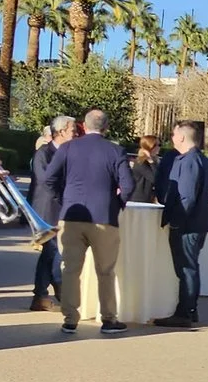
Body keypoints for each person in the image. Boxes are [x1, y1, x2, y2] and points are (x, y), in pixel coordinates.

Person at [37, 108, 132, 334]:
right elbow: (128, 186)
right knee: (106, 270)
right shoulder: (116, 151)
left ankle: (70, 318)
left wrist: (64, 198)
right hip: (104, 218)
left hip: (71, 216)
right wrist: (116, 204)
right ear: (106, 127)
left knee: (70, 269)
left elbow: (48, 179)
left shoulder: (68, 148)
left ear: (84, 126)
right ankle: (109, 318)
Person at [154, 120, 208, 328]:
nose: (172, 138)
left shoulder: (189, 161)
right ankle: (190, 309)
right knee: (189, 267)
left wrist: (177, 222)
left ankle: (185, 312)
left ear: (181, 137)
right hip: (196, 223)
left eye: (173, 134)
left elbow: (186, 197)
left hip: (188, 225)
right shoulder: (200, 159)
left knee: (187, 268)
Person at [27, 117, 71, 310]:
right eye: (72, 131)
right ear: (60, 132)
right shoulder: (44, 153)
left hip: (61, 206)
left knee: (54, 252)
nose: (75, 135)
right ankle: (42, 293)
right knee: (51, 250)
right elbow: (46, 181)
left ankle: (52, 288)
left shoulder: (67, 152)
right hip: (48, 207)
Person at [128, 133, 161, 205]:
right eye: (157, 145)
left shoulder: (156, 160)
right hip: (138, 199)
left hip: (148, 198)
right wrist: (151, 162)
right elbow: (155, 179)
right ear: (151, 147)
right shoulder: (141, 162)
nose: (159, 147)